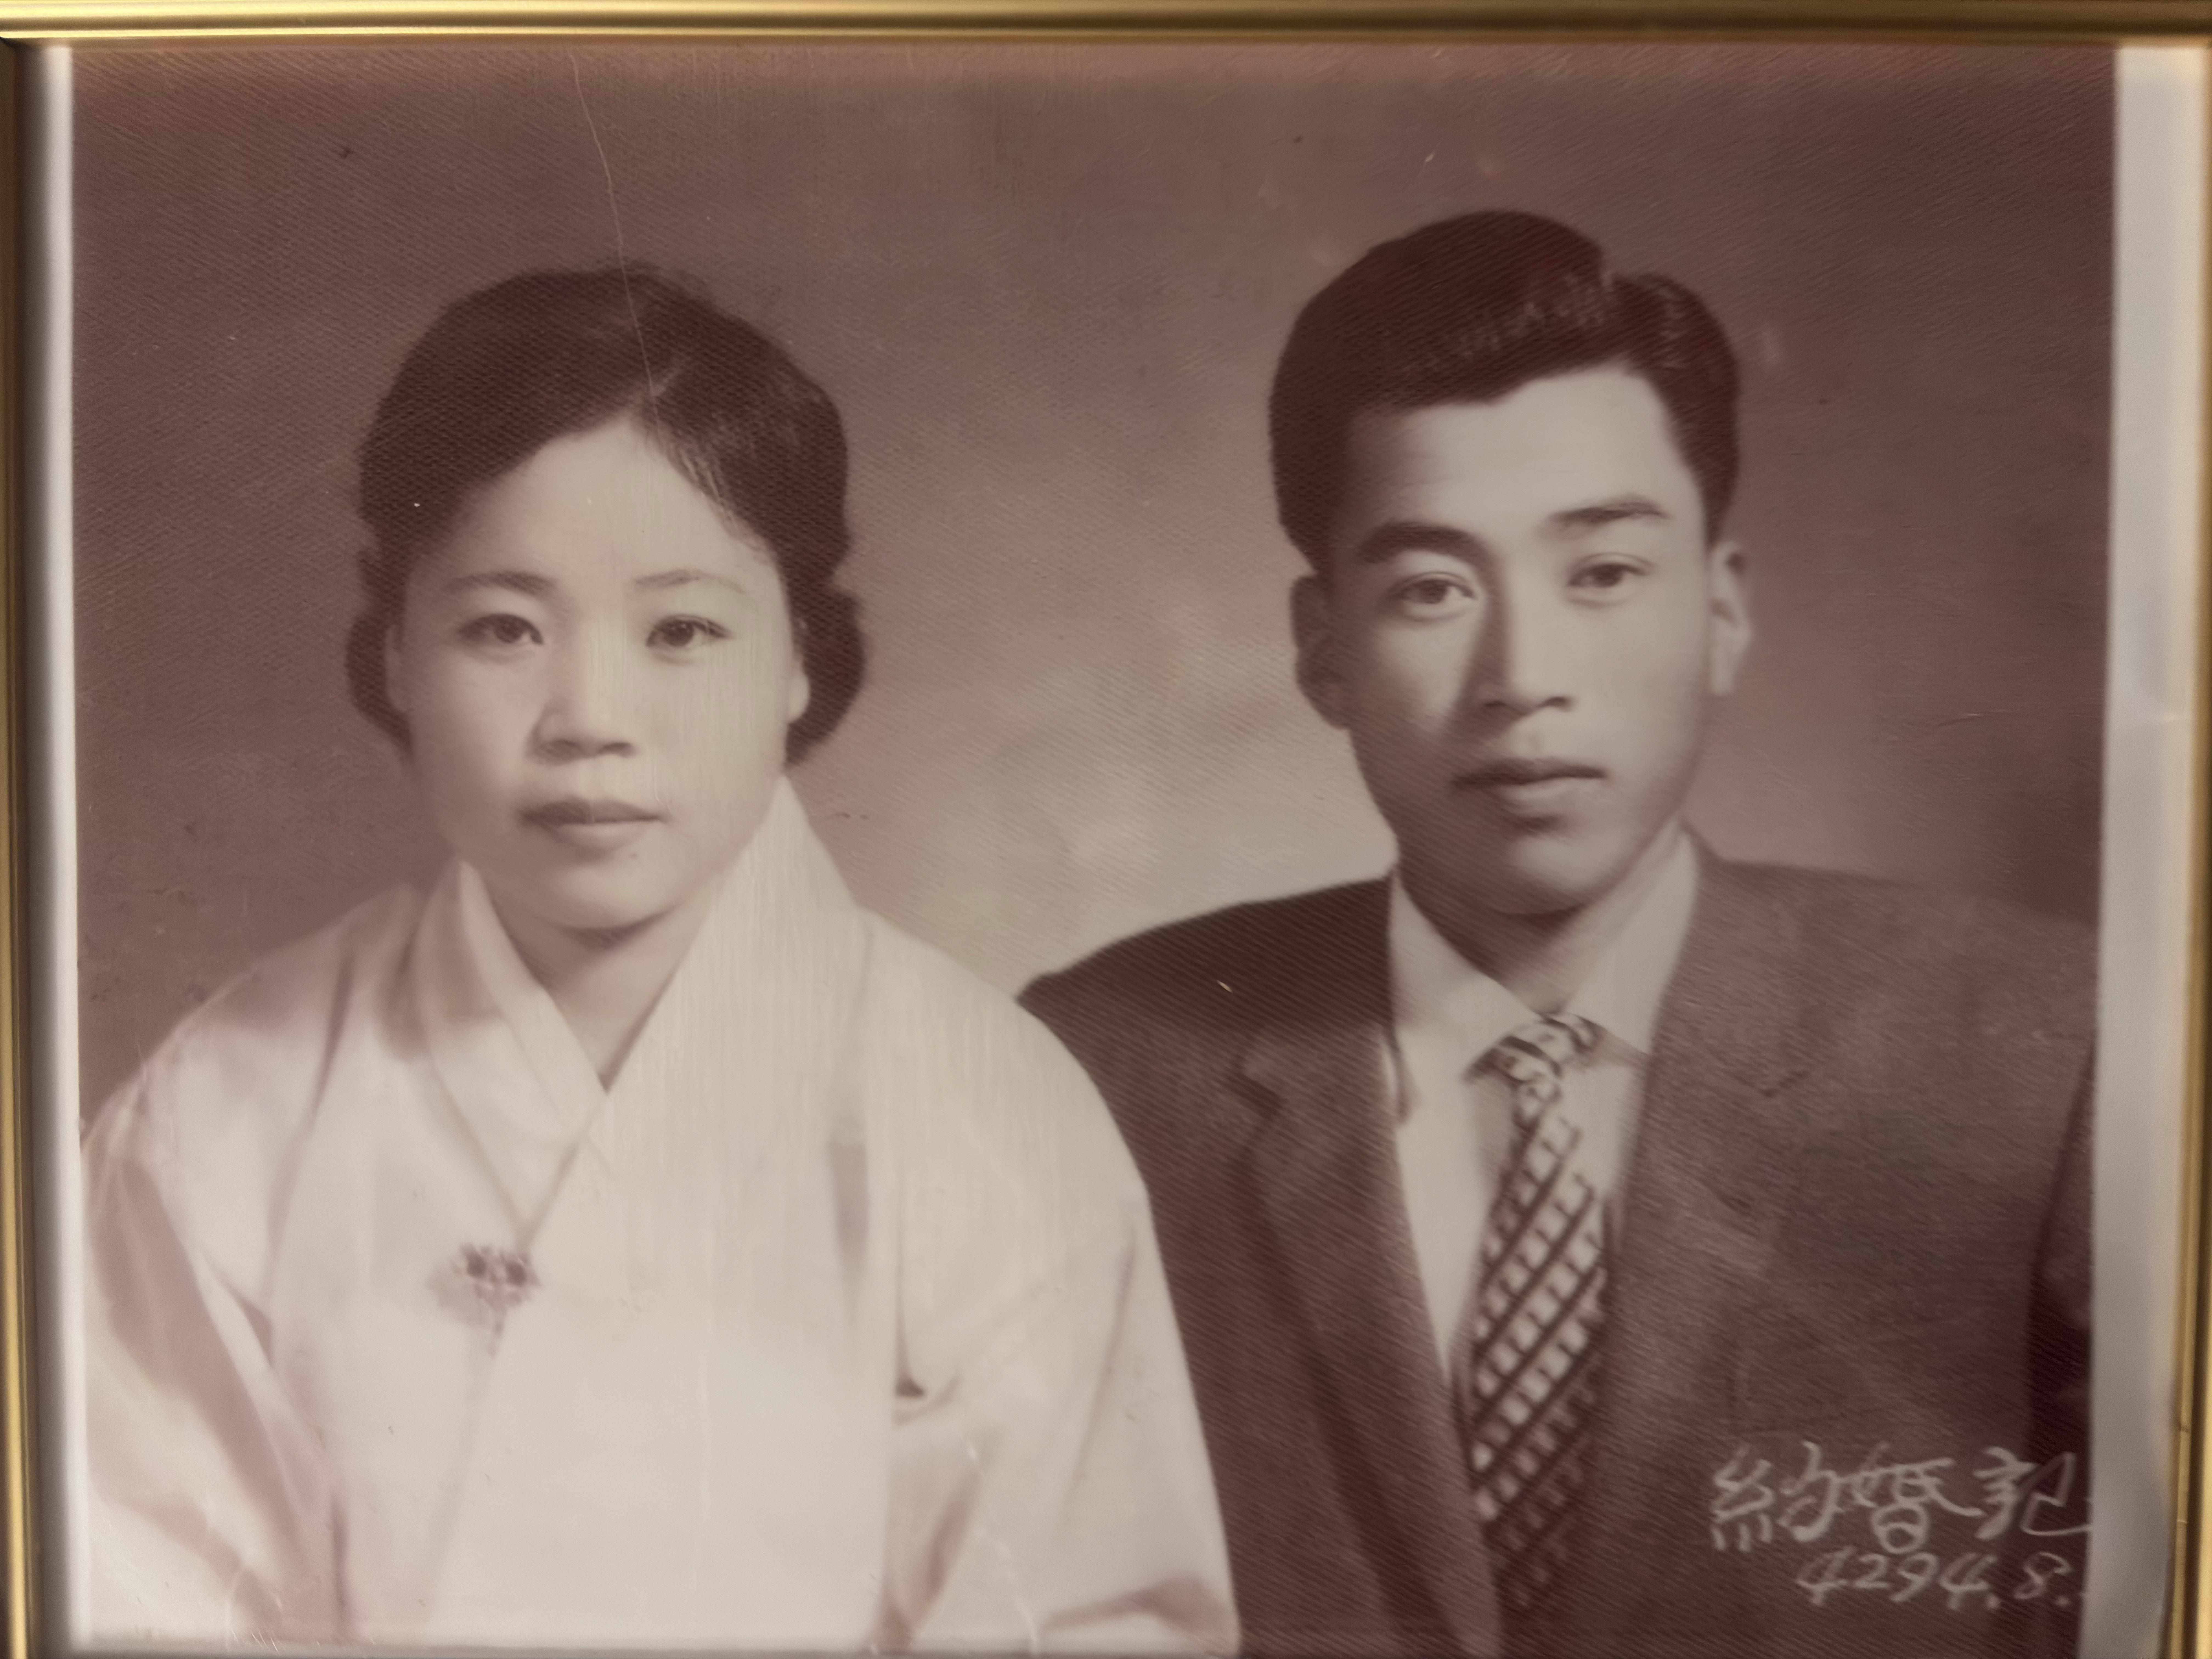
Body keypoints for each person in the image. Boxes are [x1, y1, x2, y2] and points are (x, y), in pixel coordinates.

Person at [83, 266, 1235, 1653]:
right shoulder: (228, 1103)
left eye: (681, 630)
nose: (590, 718)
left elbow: (1094, 1619)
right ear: (395, 654)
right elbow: (131, 1595)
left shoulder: (985, 1107)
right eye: (503, 628)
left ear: (800, 656)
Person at [1023, 212, 2092, 1659]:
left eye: (1602, 574)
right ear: (1321, 647)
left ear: (1721, 613)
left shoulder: (2036, 1052)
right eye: (1430, 590)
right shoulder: (1104, 1066)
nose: (1523, 677)